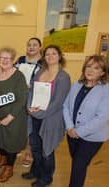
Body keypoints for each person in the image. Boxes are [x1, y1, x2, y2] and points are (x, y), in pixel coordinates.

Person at [22, 45, 71, 187]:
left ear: (59, 56)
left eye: (53, 53)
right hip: (34, 116)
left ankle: (46, 178)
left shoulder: (63, 77)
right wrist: (29, 108)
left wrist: (40, 113)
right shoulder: (40, 72)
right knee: (35, 147)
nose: (50, 56)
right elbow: (31, 91)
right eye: (47, 54)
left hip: (50, 119)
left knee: (47, 150)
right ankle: (35, 171)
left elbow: (58, 102)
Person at [63, 55, 109, 187]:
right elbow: (66, 106)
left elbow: (102, 117)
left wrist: (79, 131)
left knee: (78, 164)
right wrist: (70, 127)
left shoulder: (106, 90)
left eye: (96, 68)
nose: (91, 70)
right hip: (71, 133)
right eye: (88, 66)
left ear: (103, 72)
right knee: (78, 163)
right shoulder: (76, 85)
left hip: (92, 137)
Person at [0, 47, 28, 183]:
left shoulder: (19, 76)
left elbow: (22, 100)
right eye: (2, 57)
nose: (5, 60)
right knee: (0, 139)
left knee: (11, 142)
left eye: (8, 58)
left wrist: (9, 117)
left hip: (15, 117)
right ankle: (3, 159)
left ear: (13, 60)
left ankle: (9, 168)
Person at [15, 37, 42, 167]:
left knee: (31, 127)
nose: (31, 47)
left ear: (40, 47)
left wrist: (32, 86)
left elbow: (46, 81)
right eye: (29, 45)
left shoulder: (43, 63)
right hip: (18, 97)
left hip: (33, 98)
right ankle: (18, 148)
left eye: (34, 45)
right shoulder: (20, 60)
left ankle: (29, 154)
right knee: (19, 126)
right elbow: (12, 73)